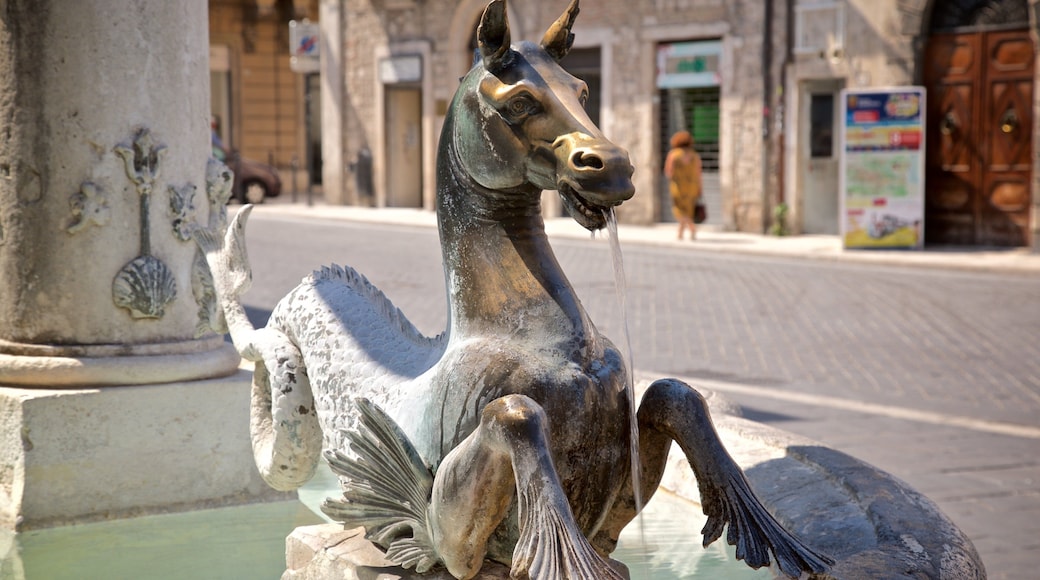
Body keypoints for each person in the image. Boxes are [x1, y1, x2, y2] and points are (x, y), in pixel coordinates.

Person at [664, 130, 703, 240]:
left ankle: (691, 228)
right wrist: (700, 188)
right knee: (688, 210)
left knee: (678, 210)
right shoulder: (695, 156)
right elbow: (699, 174)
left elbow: (668, 172)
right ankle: (680, 233)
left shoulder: (673, 154)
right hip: (692, 187)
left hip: (678, 186)